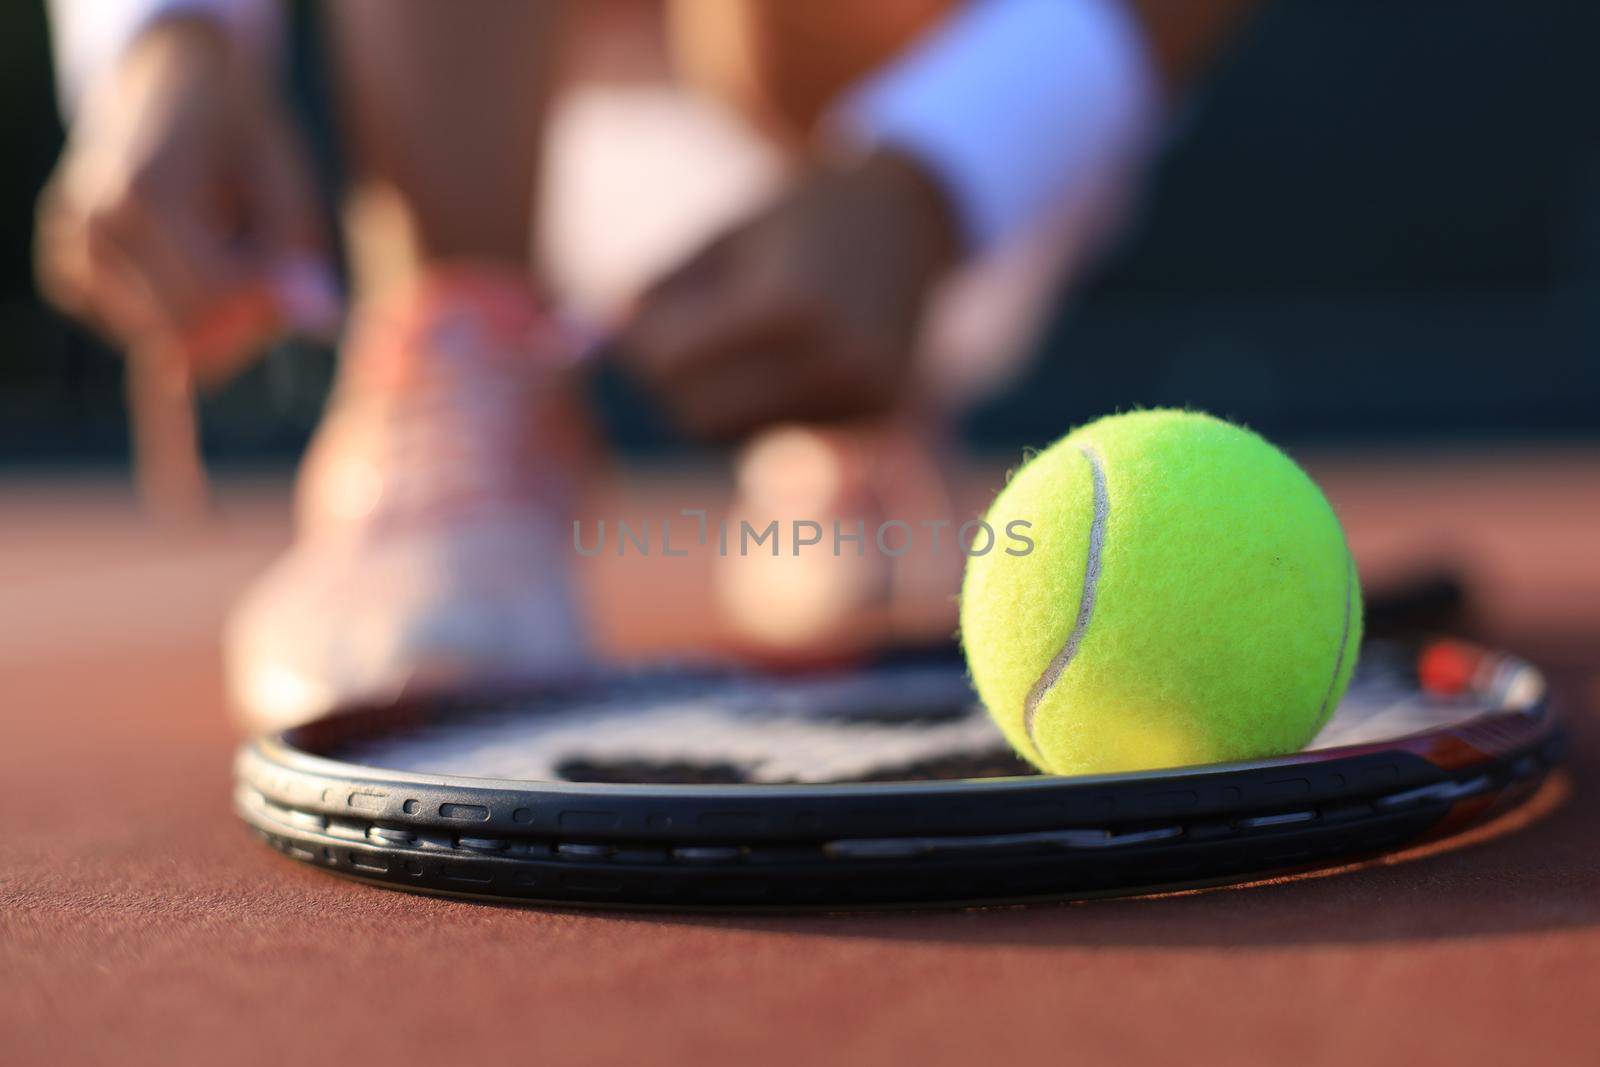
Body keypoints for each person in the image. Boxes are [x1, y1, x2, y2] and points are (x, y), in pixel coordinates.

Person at [37, 0, 1254, 728]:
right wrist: (168, 38)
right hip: (545, 130)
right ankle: (462, 354)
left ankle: (848, 409)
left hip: (916, 143)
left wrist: (929, 177)